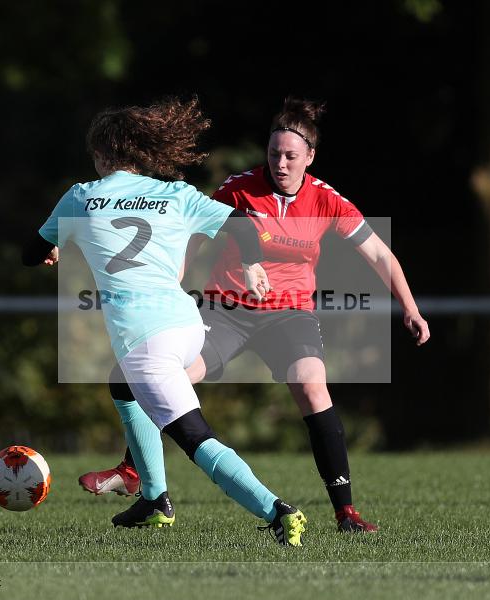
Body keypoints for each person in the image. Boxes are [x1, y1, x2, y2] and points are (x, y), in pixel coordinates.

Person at [78, 97, 431, 533]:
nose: (280, 163)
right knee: (160, 374)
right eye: (273, 154)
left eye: (290, 156)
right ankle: (136, 473)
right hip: (227, 311)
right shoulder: (239, 188)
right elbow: (195, 238)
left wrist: (411, 309)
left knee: (311, 387)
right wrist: (170, 285)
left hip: (289, 315)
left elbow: (380, 254)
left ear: (310, 158)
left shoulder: (325, 200)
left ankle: (346, 512)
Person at [22, 97, 307, 546]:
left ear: (99, 155)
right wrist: (252, 264)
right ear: (140, 155)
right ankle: (154, 500)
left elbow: (29, 250)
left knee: (195, 438)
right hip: (187, 325)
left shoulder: (80, 197)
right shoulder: (176, 193)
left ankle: (277, 511)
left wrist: (48, 250)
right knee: (122, 385)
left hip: (145, 342)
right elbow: (244, 224)